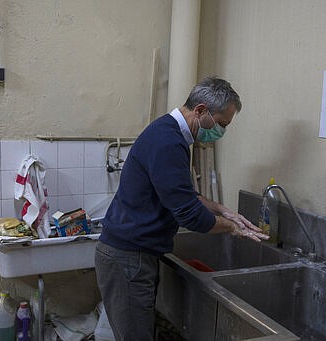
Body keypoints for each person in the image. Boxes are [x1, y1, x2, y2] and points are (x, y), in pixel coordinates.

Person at [94, 76, 268, 341]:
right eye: (221, 123)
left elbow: (181, 194)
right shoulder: (168, 142)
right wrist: (233, 229)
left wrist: (223, 210)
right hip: (128, 258)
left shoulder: (168, 132)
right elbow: (191, 216)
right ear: (200, 110)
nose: (221, 132)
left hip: (131, 254)